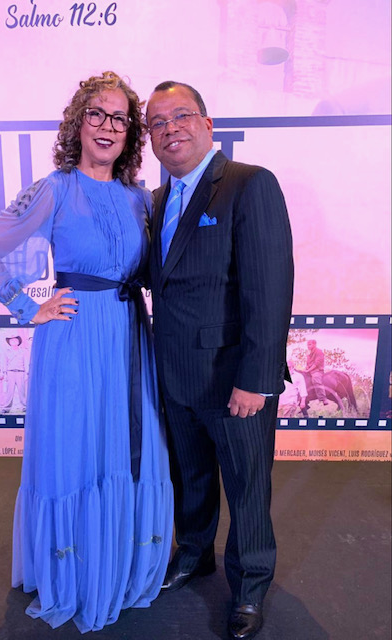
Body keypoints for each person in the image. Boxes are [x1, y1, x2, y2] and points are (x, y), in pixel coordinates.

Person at [0, 71, 173, 633]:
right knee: (75, 452)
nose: (107, 126)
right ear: (78, 123)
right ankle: (76, 571)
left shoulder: (140, 199)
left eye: (119, 118)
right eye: (97, 114)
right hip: (74, 338)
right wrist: (27, 306)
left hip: (129, 338)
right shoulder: (54, 189)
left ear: (130, 132)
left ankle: (124, 560)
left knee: (127, 449)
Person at [145, 81, 294, 640]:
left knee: (248, 490)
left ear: (207, 124)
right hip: (175, 374)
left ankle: (250, 587)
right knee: (191, 477)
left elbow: (269, 291)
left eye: (181, 115)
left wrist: (257, 379)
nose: (170, 129)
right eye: (157, 123)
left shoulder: (249, 184)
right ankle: (194, 553)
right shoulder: (157, 201)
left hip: (235, 380)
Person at [1, 335, 28, 414]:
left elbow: (26, 363)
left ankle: (24, 407)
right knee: (9, 391)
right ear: (9, 342)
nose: (13, 342)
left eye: (15, 340)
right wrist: (4, 373)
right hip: (10, 373)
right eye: (11, 340)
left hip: (20, 372)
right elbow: (4, 363)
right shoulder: (6, 351)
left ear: (18, 342)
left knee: (22, 391)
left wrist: (27, 373)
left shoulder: (23, 351)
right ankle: (6, 408)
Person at [305, 339, 328, 405]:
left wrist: (308, 370)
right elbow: (308, 363)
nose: (308, 346)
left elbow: (316, 364)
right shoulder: (309, 353)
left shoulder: (319, 352)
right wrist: (306, 367)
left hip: (317, 371)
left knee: (316, 380)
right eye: (307, 345)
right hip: (310, 370)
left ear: (314, 344)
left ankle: (323, 398)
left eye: (310, 344)